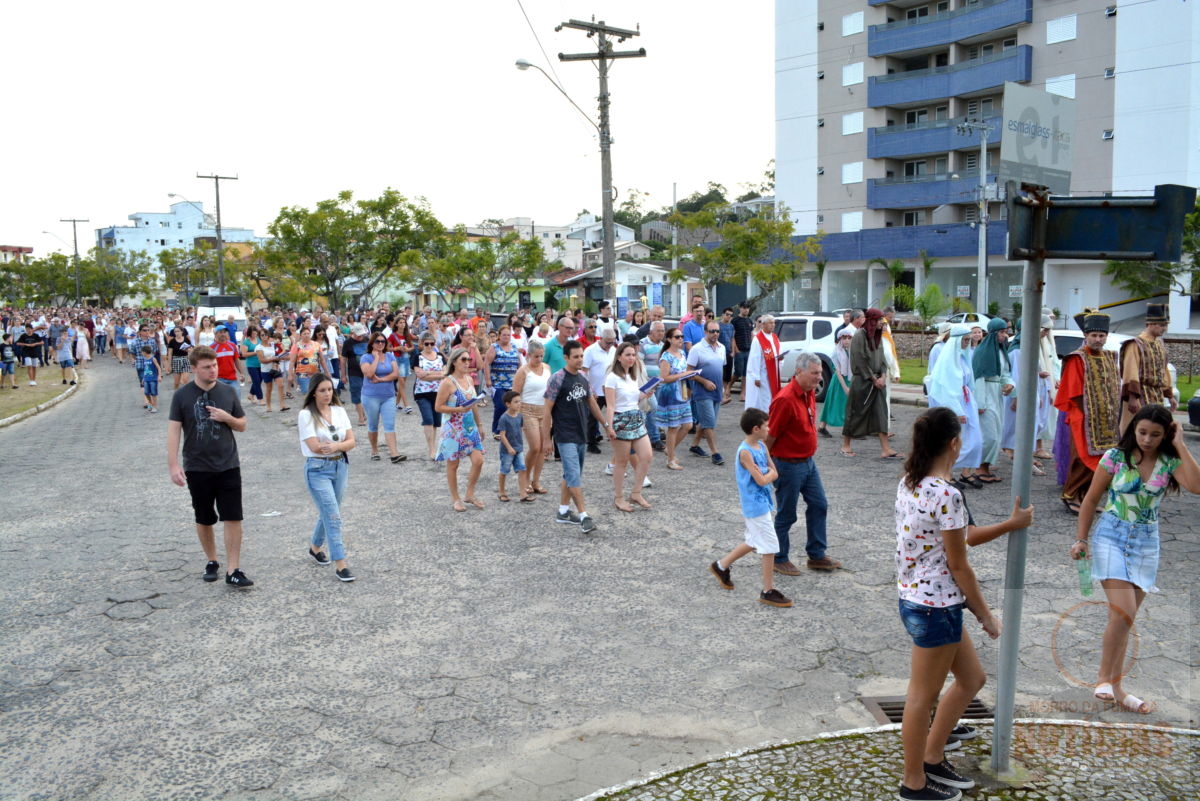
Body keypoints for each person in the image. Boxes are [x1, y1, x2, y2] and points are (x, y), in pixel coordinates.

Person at [895, 406, 1030, 801]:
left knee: (972, 680)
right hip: (935, 607)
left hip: (921, 600)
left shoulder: (910, 482)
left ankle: (933, 756)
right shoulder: (947, 494)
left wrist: (1010, 523)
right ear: (954, 443)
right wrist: (986, 615)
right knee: (921, 698)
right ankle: (913, 782)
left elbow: (961, 539)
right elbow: (960, 563)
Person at [1071, 404, 1200, 714]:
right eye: (1142, 432)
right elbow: (1090, 499)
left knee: (1125, 619)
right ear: (1133, 429)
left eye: (1156, 434)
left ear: (1166, 434)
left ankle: (1117, 689)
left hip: (1146, 543)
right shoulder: (1115, 457)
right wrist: (1081, 538)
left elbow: (1196, 485)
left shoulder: (1170, 461)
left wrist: (1180, 442)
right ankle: (1103, 679)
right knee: (1123, 611)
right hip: (1111, 536)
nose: (1147, 439)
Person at [166, 345, 253, 588]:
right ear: (194, 368)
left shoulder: (227, 392)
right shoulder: (182, 396)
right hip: (197, 467)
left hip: (228, 464)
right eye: (206, 367)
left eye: (214, 365)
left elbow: (243, 425)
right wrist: (173, 465)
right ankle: (212, 560)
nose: (213, 370)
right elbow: (174, 431)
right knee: (204, 518)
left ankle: (233, 569)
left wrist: (228, 418)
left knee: (233, 516)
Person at [708, 407, 792, 607]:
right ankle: (767, 590)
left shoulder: (761, 446)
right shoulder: (745, 452)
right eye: (766, 426)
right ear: (756, 429)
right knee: (770, 545)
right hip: (754, 505)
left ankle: (721, 566)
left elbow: (773, 472)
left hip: (762, 502)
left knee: (755, 540)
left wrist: (769, 474)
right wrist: (769, 474)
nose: (769, 429)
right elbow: (763, 479)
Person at [766, 352, 839, 574]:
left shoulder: (808, 393)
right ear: (799, 372)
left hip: (807, 462)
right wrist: (765, 466)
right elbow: (770, 436)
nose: (820, 377)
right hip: (787, 464)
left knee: (819, 504)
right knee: (787, 513)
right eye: (815, 373)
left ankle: (816, 555)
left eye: (820, 372)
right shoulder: (785, 399)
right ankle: (779, 558)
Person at [1054, 311, 1120, 515]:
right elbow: (1073, 392)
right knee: (1082, 459)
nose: (1098, 339)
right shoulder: (1077, 359)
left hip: (1107, 421)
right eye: (1094, 335)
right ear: (1086, 336)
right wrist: (1090, 417)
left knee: (1104, 460)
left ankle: (1085, 498)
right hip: (1083, 418)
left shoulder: (1110, 357)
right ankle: (1071, 495)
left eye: (1102, 336)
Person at [296, 373, 358, 582]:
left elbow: (352, 441)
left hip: (340, 464)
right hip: (317, 469)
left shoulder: (339, 411)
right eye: (322, 390)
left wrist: (335, 446)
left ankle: (315, 546)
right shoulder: (306, 415)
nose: (327, 394)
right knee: (333, 515)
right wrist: (337, 445)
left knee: (331, 510)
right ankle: (340, 563)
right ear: (313, 392)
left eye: (330, 389)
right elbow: (314, 447)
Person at [543, 339, 608, 533]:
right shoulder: (557, 379)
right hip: (564, 434)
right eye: (576, 357)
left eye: (581, 356)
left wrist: (606, 425)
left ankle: (563, 512)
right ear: (566, 358)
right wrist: (547, 439)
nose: (580, 360)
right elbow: (546, 411)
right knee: (573, 475)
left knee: (571, 475)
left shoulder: (583, 378)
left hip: (581, 433)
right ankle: (584, 515)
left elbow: (592, 403)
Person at [927, 325, 984, 489]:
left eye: (968, 340)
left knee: (974, 440)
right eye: (965, 340)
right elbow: (946, 389)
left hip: (966, 402)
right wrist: (957, 411)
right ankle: (945, 473)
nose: (967, 343)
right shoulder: (948, 360)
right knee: (953, 441)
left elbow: (968, 381)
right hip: (955, 404)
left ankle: (966, 472)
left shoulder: (963, 357)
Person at [842, 309, 901, 459]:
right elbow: (859, 359)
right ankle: (846, 445)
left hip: (878, 383)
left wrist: (883, 375)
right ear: (873, 320)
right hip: (862, 382)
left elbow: (882, 359)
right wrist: (872, 379)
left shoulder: (878, 336)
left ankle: (885, 448)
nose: (883, 323)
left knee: (882, 413)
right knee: (855, 412)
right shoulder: (860, 335)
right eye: (880, 320)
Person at [603, 342, 655, 512]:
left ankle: (636, 493)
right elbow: (610, 405)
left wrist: (645, 394)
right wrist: (609, 427)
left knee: (647, 456)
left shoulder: (632, 375)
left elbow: (633, 399)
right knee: (622, 462)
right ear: (619, 357)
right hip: (621, 420)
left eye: (633, 355)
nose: (632, 358)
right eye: (628, 355)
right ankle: (619, 497)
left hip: (636, 417)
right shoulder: (612, 377)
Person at [436, 347, 486, 512]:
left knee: (478, 460)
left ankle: (469, 494)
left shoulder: (470, 380)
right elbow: (438, 407)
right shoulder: (448, 382)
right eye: (463, 359)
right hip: (453, 428)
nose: (467, 362)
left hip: (469, 426)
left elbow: (473, 405)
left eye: (468, 359)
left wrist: (480, 425)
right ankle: (455, 498)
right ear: (454, 362)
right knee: (453, 464)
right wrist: (458, 410)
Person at [1119, 303, 1174, 434]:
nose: (1164, 329)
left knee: (1157, 430)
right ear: (1151, 324)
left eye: (1165, 325)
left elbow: (1163, 370)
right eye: (1162, 325)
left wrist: (1169, 395)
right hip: (1140, 395)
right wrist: (1133, 397)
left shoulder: (1159, 344)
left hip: (1156, 395)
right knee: (1137, 430)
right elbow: (1130, 371)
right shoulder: (1135, 344)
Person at [971, 318, 1013, 483]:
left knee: (997, 433)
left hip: (997, 395)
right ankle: (980, 468)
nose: (1005, 335)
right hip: (986, 396)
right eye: (1002, 332)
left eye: (1005, 331)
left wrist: (1009, 385)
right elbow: (979, 378)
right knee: (989, 435)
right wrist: (980, 403)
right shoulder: (983, 352)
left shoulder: (1002, 351)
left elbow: (1006, 374)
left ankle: (986, 467)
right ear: (994, 333)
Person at [512, 339, 552, 496]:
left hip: (545, 411)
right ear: (529, 355)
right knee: (535, 447)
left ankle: (536, 480)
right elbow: (515, 393)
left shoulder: (547, 368)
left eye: (542, 356)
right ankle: (525, 478)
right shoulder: (523, 371)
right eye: (536, 356)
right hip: (527, 410)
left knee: (543, 448)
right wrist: (514, 415)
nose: (539, 359)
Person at [360, 333, 407, 463]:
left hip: (388, 396)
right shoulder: (366, 357)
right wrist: (375, 358)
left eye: (383, 341)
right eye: (377, 341)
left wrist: (380, 379)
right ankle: (374, 450)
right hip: (371, 396)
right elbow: (369, 374)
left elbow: (395, 374)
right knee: (373, 424)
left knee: (389, 425)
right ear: (372, 343)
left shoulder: (390, 356)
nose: (380, 344)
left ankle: (394, 454)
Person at [685, 319, 726, 464]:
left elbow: (721, 368)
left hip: (716, 391)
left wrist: (722, 389)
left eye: (717, 331)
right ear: (705, 332)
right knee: (709, 423)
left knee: (708, 420)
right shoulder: (697, 349)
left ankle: (694, 445)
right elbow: (689, 372)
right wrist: (704, 382)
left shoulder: (722, 347)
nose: (715, 334)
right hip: (702, 392)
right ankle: (715, 453)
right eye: (712, 331)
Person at [657, 327, 696, 471]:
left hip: (683, 391)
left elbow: (683, 372)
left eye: (681, 336)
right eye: (677, 337)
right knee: (673, 427)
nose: (680, 339)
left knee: (687, 425)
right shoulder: (666, 357)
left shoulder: (682, 353)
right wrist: (682, 375)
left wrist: (688, 375)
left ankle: (670, 449)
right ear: (669, 339)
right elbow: (664, 378)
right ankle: (670, 459)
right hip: (671, 394)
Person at [582, 327, 617, 454]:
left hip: (610, 389)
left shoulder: (614, 350)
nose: (609, 345)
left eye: (612, 342)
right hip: (595, 390)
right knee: (592, 418)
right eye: (607, 342)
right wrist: (590, 389)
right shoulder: (590, 351)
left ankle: (617, 438)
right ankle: (591, 443)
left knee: (616, 415)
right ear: (600, 339)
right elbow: (584, 371)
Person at [484, 325, 524, 437]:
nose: (506, 337)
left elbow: (519, 364)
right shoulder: (494, 347)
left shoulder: (514, 347)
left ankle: (509, 430)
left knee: (513, 407)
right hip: (498, 383)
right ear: (499, 336)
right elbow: (487, 363)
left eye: (508, 335)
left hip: (512, 383)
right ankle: (496, 430)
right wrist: (487, 380)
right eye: (504, 335)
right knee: (501, 406)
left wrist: (521, 378)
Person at [413, 336, 446, 460]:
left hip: (438, 392)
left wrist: (427, 373)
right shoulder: (418, 357)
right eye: (426, 344)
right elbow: (420, 375)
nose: (429, 346)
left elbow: (445, 373)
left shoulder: (440, 357)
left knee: (436, 422)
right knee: (428, 419)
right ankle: (431, 449)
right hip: (422, 393)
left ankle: (434, 447)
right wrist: (437, 374)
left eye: (432, 343)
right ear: (422, 344)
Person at [496, 390, 532, 503]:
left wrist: (519, 444)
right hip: (507, 450)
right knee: (504, 470)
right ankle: (501, 492)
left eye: (520, 401)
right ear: (508, 404)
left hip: (519, 448)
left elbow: (519, 429)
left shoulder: (520, 416)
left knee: (522, 469)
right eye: (516, 402)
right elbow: (502, 435)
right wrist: (509, 447)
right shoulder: (504, 418)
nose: (519, 404)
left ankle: (523, 493)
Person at [817, 328, 853, 437]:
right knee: (832, 403)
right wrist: (845, 387)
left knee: (850, 405)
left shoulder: (850, 351)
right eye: (844, 338)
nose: (847, 340)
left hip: (849, 380)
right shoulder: (836, 353)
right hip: (839, 382)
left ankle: (851, 428)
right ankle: (822, 426)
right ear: (840, 339)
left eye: (849, 338)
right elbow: (838, 372)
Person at [639, 321, 667, 451]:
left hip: (660, 383)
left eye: (663, 330)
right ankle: (655, 438)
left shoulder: (663, 345)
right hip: (648, 384)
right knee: (652, 409)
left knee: (654, 410)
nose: (661, 333)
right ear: (651, 331)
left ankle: (650, 435)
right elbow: (639, 364)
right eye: (658, 330)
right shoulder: (643, 344)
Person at [745, 314, 782, 412]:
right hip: (763, 374)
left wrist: (781, 360)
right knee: (764, 398)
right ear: (763, 324)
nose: (773, 325)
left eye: (774, 323)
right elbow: (754, 358)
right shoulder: (758, 339)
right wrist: (756, 376)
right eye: (770, 323)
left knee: (771, 396)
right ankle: (765, 418)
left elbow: (778, 352)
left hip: (773, 373)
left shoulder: (774, 337)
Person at [341, 322, 370, 426]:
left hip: (367, 371)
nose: (360, 337)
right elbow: (343, 359)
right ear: (353, 332)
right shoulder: (347, 343)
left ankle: (363, 412)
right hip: (354, 372)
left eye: (362, 334)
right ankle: (361, 417)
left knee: (366, 393)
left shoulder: (367, 340)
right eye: (358, 335)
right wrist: (343, 375)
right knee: (356, 392)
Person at [386, 316, 414, 413]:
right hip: (396, 359)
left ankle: (396, 404)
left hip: (405, 359)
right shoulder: (393, 335)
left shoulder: (407, 335)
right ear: (396, 324)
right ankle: (407, 405)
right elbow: (387, 348)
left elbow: (412, 347)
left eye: (404, 322)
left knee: (403, 383)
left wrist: (408, 349)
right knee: (401, 382)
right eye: (401, 322)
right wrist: (396, 348)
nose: (403, 324)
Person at [212, 326, 245, 398]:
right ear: (215, 334)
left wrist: (242, 373)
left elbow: (237, 360)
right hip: (218, 379)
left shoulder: (232, 345)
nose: (223, 334)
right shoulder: (211, 348)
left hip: (232, 378)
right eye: (220, 332)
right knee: (222, 401)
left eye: (224, 332)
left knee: (236, 399)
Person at [731, 302, 754, 398]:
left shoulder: (749, 320)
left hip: (748, 350)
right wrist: (736, 349)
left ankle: (743, 393)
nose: (746, 310)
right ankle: (727, 387)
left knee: (746, 373)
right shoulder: (735, 321)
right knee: (738, 372)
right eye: (744, 308)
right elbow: (733, 336)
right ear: (740, 308)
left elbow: (751, 335)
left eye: (748, 308)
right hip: (739, 350)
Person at [240, 325, 264, 406]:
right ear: (250, 333)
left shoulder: (258, 339)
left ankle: (251, 395)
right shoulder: (246, 342)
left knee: (259, 380)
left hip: (260, 363)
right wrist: (255, 352)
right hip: (251, 365)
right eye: (253, 334)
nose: (255, 335)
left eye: (256, 333)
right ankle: (260, 398)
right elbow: (244, 354)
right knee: (256, 381)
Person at [718, 307, 736, 404]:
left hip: (729, 353)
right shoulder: (718, 325)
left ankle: (725, 393)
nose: (729, 316)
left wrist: (733, 351)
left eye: (730, 315)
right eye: (727, 314)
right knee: (721, 374)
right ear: (723, 314)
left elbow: (732, 339)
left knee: (727, 376)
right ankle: (722, 394)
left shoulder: (731, 326)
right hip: (720, 353)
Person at [140, 345, 160, 412]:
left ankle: (155, 406)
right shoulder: (145, 359)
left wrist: (159, 376)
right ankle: (151, 403)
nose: (141, 353)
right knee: (146, 393)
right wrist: (143, 378)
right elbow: (145, 370)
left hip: (153, 379)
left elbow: (158, 367)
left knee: (153, 393)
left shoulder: (153, 359)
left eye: (142, 352)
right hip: (146, 379)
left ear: (145, 352)